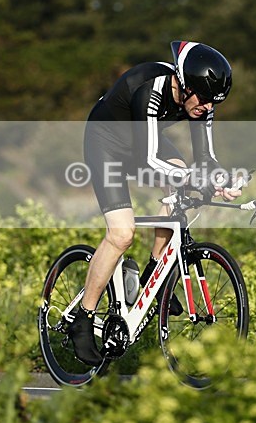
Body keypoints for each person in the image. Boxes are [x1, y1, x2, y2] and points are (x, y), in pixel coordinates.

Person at [70, 41, 241, 366]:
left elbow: (206, 159)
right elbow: (149, 161)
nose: (206, 107)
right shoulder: (150, 89)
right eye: (202, 100)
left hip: (140, 140)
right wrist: (192, 178)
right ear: (185, 85)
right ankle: (83, 318)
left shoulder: (202, 99)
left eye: (213, 103)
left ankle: (153, 274)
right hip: (106, 143)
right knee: (121, 234)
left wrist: (221, 182)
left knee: (186, 186)